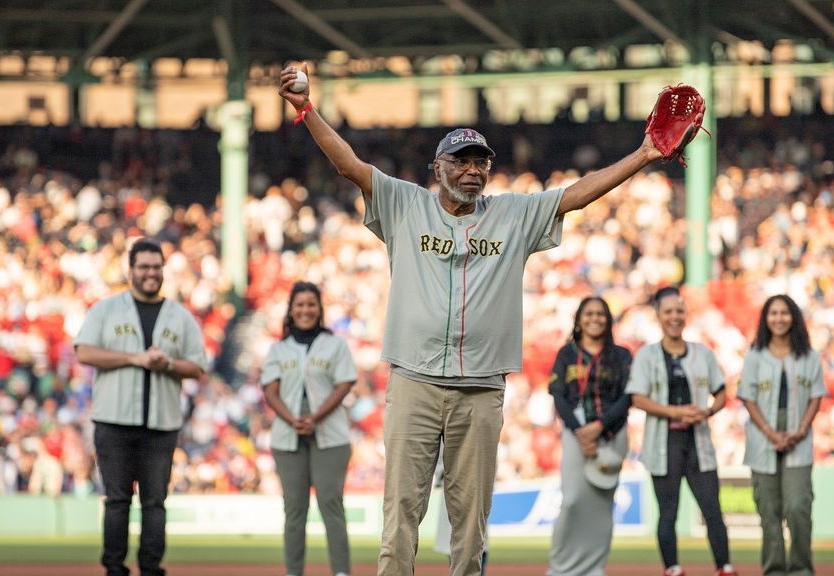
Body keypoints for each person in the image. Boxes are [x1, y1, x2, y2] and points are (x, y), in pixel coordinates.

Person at [279, 62, 666, 576]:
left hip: (481, 388)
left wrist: (643, 155)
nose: (472, 170)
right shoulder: (404, 203)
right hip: (414, 382)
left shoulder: (512, 214)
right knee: (401, 514)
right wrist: (307, 110)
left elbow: (576, 194)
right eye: (461, 160)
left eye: (481, 161)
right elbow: (349, 164)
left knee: (472, 522)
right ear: (438, 167)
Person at [74, 238, 206, 576]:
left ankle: (151, 569)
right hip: (114, 420)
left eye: (156, 267)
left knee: (155, 503)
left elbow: (197, 368)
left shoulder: (181, 316)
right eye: (144, 267)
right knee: (117, 501)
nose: (151, 273)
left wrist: (168, 365)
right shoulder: (106, 309)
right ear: (130, 270)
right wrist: (135, 358)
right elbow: (84, 352)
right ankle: (114, 568)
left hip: (162, 423)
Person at [625, 286, 736, 576]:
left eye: (679, 311)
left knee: (712, 509)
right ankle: (672, 569)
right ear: (658, 316)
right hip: (664, 442)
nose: (674, 316)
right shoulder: (647, 356)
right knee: (668, 512)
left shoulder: (702, 353)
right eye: (668, 311)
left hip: (698, 440)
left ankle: (724, 567)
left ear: (685, 315)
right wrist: (676, 412)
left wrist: (707, 412)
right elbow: (637, 398)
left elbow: (721, 393)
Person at [262, 281, 357, 576]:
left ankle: (341, 572)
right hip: (287, 433)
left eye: (311, 304)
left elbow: (344, 384)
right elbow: (270, 391)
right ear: (291, 310)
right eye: (300, 304)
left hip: (330, 433)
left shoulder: (335, 344)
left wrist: (315, 417)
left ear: (320, 309)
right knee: (294, 510)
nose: (305, 310)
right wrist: (292, 419)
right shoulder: (279, 348)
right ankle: (294, 572)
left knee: (331, 503)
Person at [738, 295, 825, 576]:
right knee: (769, 512)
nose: (779, 318)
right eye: (773, 313)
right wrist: (770, 432)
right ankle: (773, 570)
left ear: (794, 317)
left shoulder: (809, 356)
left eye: (785, 313)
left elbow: (815, 396)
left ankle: (801, 569)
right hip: (763, 437)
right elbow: (748, 397)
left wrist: (800, 430)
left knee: (799, 506)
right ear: (765, 318)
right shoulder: (755, 355)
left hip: (798, 437)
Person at [547, 296, 632, 576]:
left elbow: (627, 396)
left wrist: (600, 427)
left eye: (600, 314)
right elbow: (558, 395)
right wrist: (580, 430)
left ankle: (595, 568)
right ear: (579, 319)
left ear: (608, 320)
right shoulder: (567, 353)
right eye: (589, 313)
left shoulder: (621, 355)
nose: (595, 318)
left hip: (612, 434)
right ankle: (560, 568)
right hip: (575, 434)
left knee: (602, 504)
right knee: (571, 501)